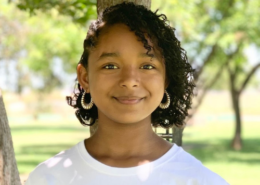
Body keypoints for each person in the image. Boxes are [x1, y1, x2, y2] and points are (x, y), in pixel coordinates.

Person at [25, 2, 229, 185]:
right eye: (111, 65)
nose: (130, 80)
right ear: (85, 77)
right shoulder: (48, 178)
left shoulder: (197, 179)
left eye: (147, 66)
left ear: (166, 78)